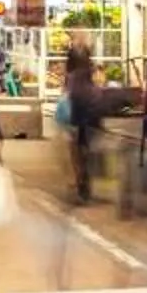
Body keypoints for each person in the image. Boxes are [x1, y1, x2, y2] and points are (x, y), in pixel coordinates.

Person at [62, 39, 103, 205]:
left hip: (79, 112)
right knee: (86, 147)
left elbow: (68, 95)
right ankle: (85, 181)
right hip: (92, 111)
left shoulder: (72, 79)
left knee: (78, 148)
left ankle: (82, 182)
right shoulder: (90, 73)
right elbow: (98, 89)